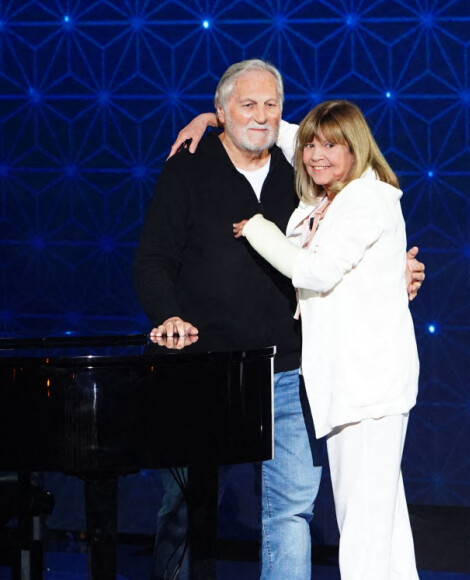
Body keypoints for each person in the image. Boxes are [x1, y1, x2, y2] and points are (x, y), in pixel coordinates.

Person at [135, 59, 425, 579]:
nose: (262, 116)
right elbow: (153, 258)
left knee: (292, 511)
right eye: (247, 104)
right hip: (208, 367)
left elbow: (331, 163)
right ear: (224, 111)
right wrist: (168, 313)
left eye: (272, 105)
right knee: (184, 508)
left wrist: (391, 268)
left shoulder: (303, 173)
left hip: (292, 371)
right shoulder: (191, 166)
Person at [232, 100, 420, 580]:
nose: (316, 156)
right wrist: (216, 118)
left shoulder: (365, 199)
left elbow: (314, 270)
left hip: (368, 385)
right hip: (347, 384)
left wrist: (258, 229)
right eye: (312, 146)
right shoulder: (331, 196)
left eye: (331, 146)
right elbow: (289, 134)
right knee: (381, 521)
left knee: (363, 525)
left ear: (355, 148)